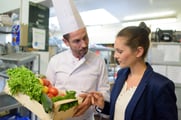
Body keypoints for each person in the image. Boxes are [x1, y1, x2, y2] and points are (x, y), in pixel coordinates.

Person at [90, 22, 178, 120]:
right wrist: (102, 105)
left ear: (138, 51)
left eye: (120, 51)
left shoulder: (160, 86)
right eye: (115, 51)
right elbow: (119, 111)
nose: (115, 55)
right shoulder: (121, 75)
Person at [46, 0, 110, 120]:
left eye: (85, 37)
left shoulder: (98, 61)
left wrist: (91, 101)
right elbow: (48, 92)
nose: (84, 44)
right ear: (66, 42)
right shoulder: (56, 61)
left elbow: (105, 94)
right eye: (77, 41)